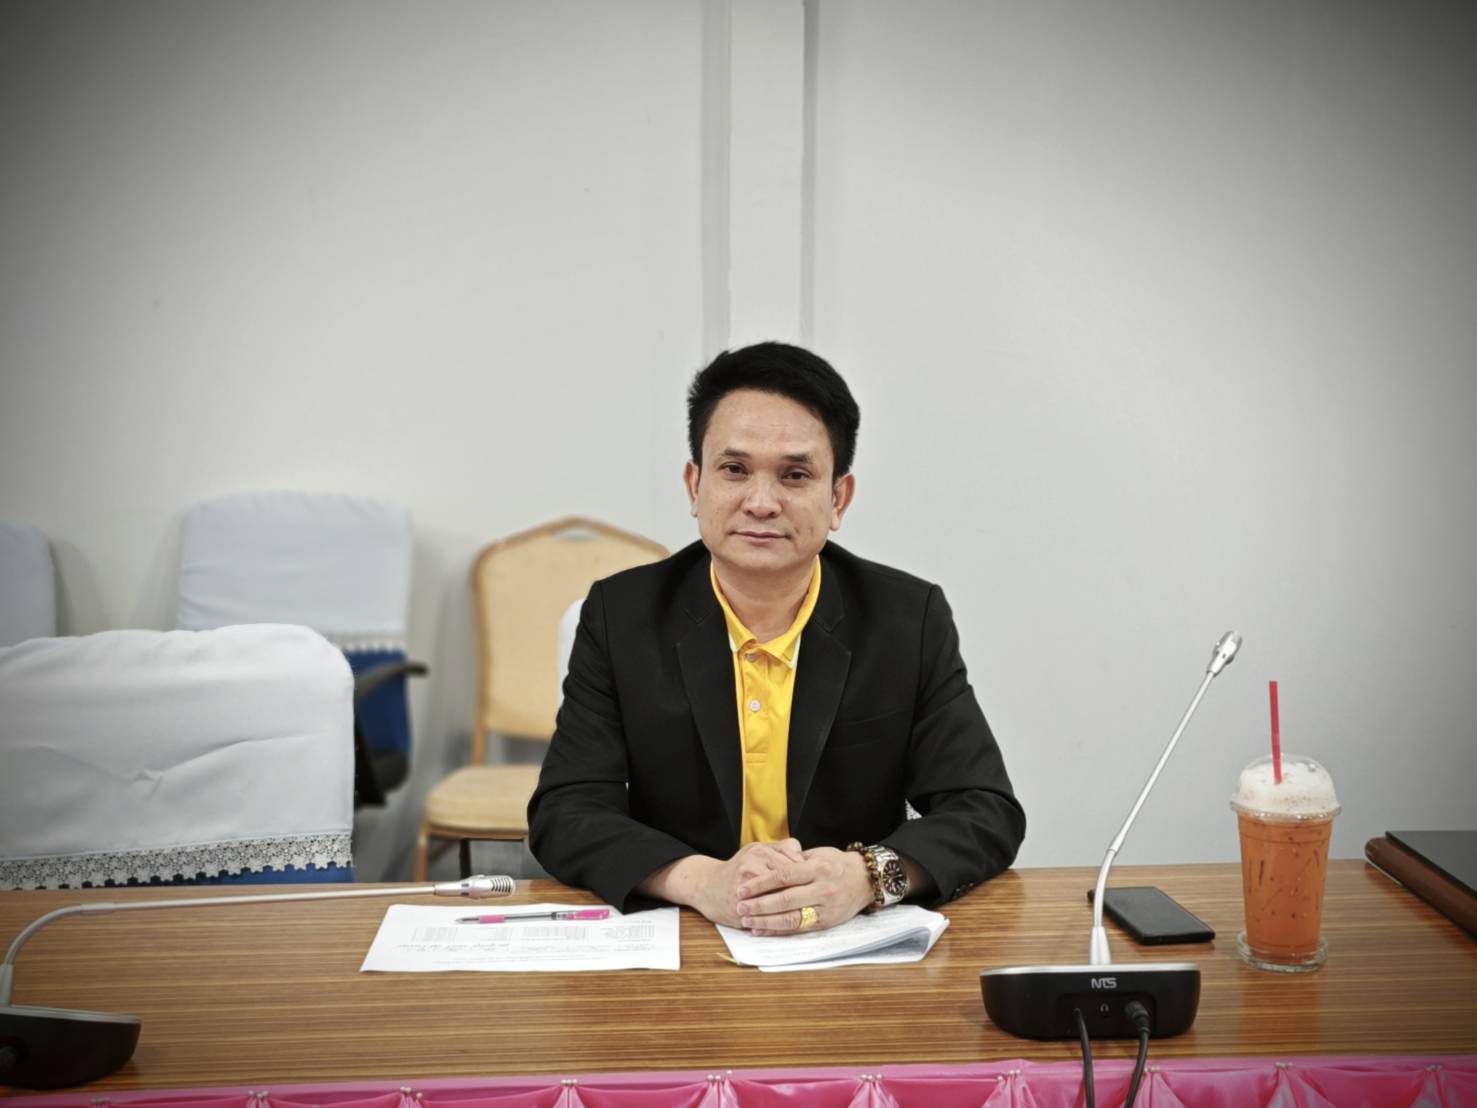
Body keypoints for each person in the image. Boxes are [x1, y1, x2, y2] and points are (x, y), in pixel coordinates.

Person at [528, 342, 1024, 935]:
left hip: (845, 941)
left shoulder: (905, 619)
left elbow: (984, 809)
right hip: (684, 935)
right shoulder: (621, 616)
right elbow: (566, 811)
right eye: (734, 470)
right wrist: (700, 880)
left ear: (837, 498)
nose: (761, 503)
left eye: (795, 475)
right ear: (694, 485)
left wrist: (867, 876)